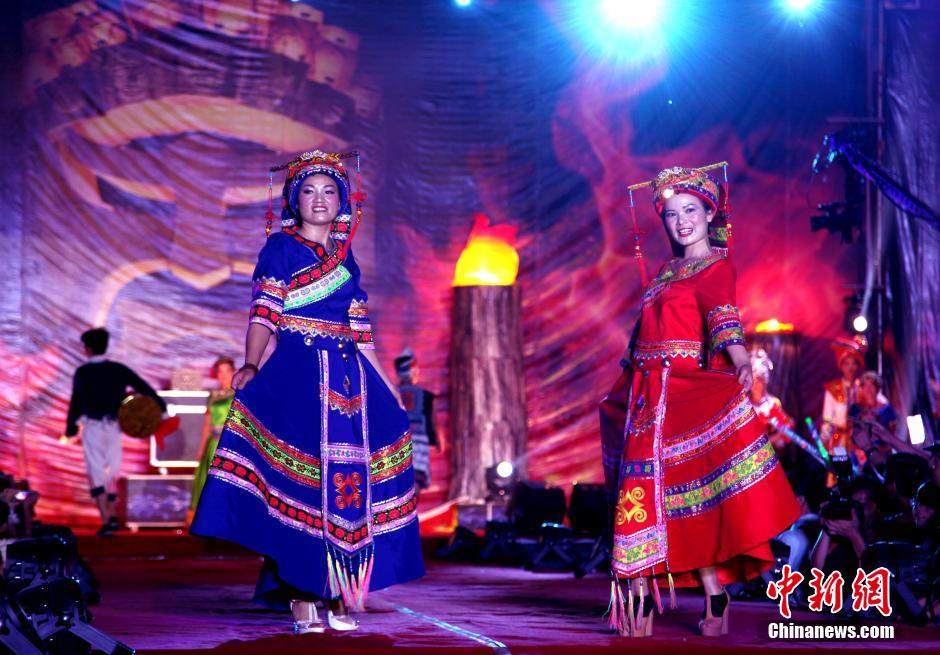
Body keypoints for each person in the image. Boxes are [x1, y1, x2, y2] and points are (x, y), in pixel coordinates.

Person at [190, 150, 424, 634]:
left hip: (349, 380)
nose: (320, 200)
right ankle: (301, 595)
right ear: (294, 200)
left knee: (350, 483)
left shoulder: (345, 255)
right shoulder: (280, 249)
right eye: (310, 191)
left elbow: (361, 331)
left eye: (329, 191)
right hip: (299, 373)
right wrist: (251, 363)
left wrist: (387, 387)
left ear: (342, 201)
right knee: (305, 485)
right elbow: (264, 313)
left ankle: (339, 591)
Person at [600, 166, 800, 638]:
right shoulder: (665, 272)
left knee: (696, 497)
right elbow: (642, 335)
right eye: (671, 214)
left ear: (710, 213)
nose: (681, 221)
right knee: (646, 494)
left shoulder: (716, 266)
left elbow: (723, 318)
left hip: (685, 391)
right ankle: (643, 593)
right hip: (647, 395)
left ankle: (711, 592)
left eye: (690, 210)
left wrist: (741, 359)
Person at [65, 327, 167, 537]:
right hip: (114, 426)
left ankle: (106, 519)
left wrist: (70, 429)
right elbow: (143, 386)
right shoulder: (118, 369)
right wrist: (161, 407)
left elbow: (76, 401)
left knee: (96, 471)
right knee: (113, 469)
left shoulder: (83, 372)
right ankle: (111, 516)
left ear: (88, 349)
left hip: (93, 426)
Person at [187, 356, 236, 524]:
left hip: (230, 443)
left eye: (227, 371)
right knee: (209, 481)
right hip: (213, 443)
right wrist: (201, 449)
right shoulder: (213, 395)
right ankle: (208, 519)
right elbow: (207, 424)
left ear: (234, 372)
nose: (224, 375)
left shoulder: (240, 393)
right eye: (220, 372)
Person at [394, 348, 439, 493]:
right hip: (419, 441)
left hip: (397, 440)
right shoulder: (424, 395)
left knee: (399, 478)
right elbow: (432, 420)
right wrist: (437, 440)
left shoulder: (391, 393)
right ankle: (411, 506)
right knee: (416, 479)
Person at [820, 335, 867, 456]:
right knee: (841, 465)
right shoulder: (833, 389)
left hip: (860, 440)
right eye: (847, 364)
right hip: (839, 439)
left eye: (853, 364)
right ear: (841, 366)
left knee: (859, 467)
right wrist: (825, 435)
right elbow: (827, 418)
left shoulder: (863, 387)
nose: (850, 368)